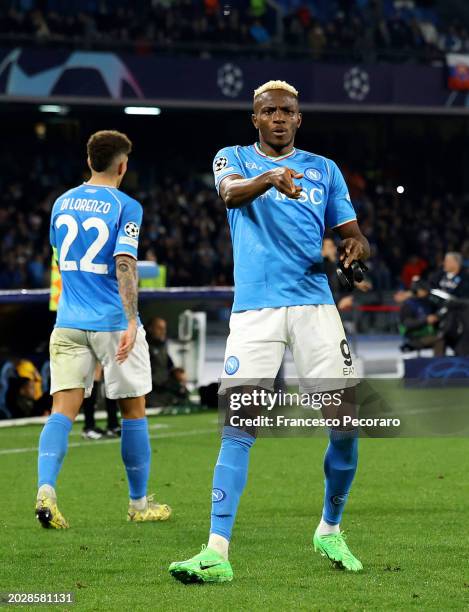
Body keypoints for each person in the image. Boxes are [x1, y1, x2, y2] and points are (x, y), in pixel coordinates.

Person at [169, 80, 370, 583]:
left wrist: (354, 251)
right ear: (254, 118)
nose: (278, 117)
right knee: (239, 428)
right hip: (256, 311)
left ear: (299, 118)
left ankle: (329, 528)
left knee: (344, 427)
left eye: (287, 111)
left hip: (315, 307)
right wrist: (273, 177)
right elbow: (230, 195)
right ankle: (216, 551)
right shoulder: (232, 157)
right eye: (268, 111)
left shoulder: (325, 170)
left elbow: (352, 234)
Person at [35, 130, 171, 529]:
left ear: (89, 160)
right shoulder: (125, 205)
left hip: (68, 320)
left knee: (62, 411)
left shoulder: (61, 203)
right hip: (112, 321)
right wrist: (131, 319)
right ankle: (139, 503)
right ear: (122, 165)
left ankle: (46, 489)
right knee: (133, 410)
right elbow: (124, 264)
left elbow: (60, 259)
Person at [147, 316, 189, 406]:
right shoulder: (145, 347)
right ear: (150, 329)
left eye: (164, 328)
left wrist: (178, 373)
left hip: (165, 384)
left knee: (183, 392)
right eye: (159, 328)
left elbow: (170, 366)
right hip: (152, 387)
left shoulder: (162, 347)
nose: (163, 331)